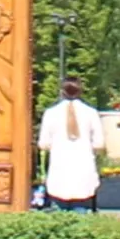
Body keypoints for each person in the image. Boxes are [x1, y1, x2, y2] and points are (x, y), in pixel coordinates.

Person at [38, 76, 104, 210]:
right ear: (80, 91)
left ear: (62, 91)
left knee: (58, 215)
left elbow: (43, 143)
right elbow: (99, 143)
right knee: (82, 213)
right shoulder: (91, 113)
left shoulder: (51, 113)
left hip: (59, 170)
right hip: (83, 169)